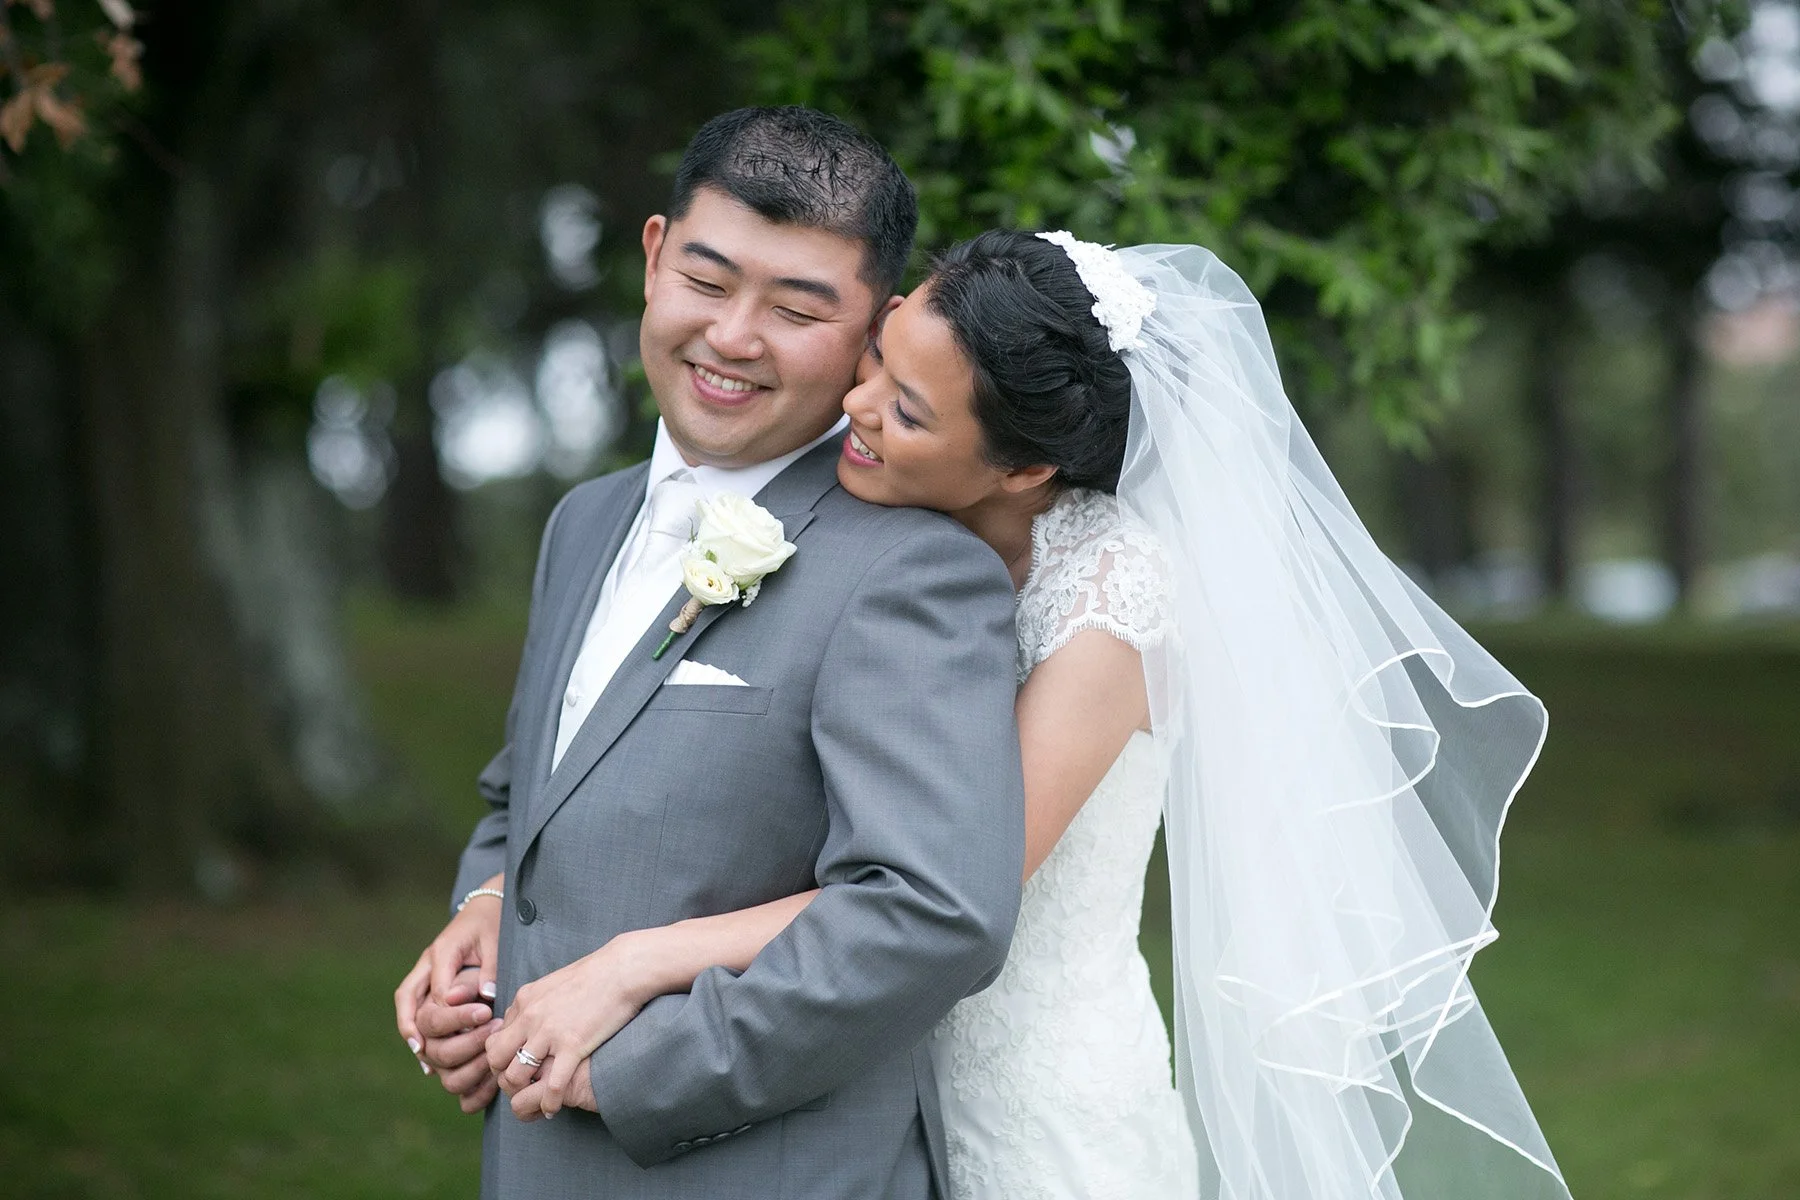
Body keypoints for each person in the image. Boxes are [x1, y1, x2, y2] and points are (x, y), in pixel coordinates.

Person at [480, 229, 1575, 1200]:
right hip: (863, 1063)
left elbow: (955, 882)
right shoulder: (897, 531)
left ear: (1026, 466)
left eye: (906, 412)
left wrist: (638, 959)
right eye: (877, 361)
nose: (856, 411)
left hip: (1032, 1088)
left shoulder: (1115, 603)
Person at [392, 107, 1027, 1199]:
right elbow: (526, 799)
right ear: (651, 258)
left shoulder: (912, 571)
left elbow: (932, 913)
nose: (733, 337)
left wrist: (633, 1068)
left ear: (874, 328)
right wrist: (481, 917)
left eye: (797, 308)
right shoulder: (583, 524)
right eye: (708, 280)